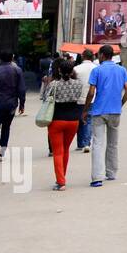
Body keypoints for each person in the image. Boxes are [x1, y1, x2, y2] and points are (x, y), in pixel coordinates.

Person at [83, 44, 127, 188]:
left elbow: (91, 93)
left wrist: (85, 110)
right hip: (115, 111)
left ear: (102, 55)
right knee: (113, 143)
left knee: (98, 143)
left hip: (99, 111)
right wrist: (120, 104)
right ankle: (111, 172)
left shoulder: (97, 71)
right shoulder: (121, 70)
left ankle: (97, 177)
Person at [42, 59, 88, 191]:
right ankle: (63, 176)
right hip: (73, 121)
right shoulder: (78, 84)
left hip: (56, 120)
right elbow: (79, 98)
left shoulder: (54, 84)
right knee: (66, 149)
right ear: (72, 70)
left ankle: (61, 181)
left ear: (59, 71)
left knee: (57, 152)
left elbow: (45, 99)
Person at [73, 48, 97, 152]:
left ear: (82, 56)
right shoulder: (96, 68)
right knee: (88, 120)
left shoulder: (76, 69)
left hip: (78, 98)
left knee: (79, 120)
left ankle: (80, 143)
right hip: (92, 98)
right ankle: (86, 143)